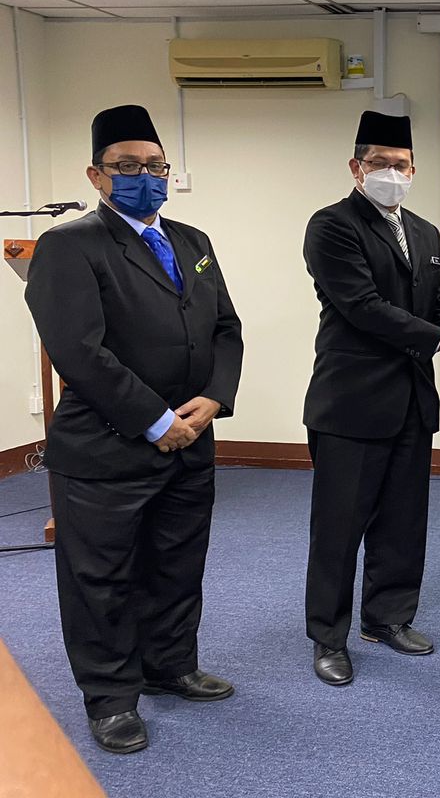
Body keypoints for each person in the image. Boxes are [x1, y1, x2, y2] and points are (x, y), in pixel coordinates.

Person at [24, 104, 243, 755]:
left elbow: (225, 328)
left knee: (177, 563)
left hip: (192, 438)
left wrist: (214, 398)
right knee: (103, 579)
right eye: (127, 166)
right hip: (108, 446)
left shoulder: (193, 241)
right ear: (96, 175)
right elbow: (78, 350)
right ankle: (112, 698)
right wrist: (154, 420)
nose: (144, 177)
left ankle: (169, 665)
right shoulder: (69, 245)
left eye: (155, 166)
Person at [302, 110, 440, 686]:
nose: (392, 172)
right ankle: (328, 637)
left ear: (414, 169)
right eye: (380, 163)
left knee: (403, 520)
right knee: (339, 528)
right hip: (351, 402)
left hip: (411, 400)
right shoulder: (331, 225)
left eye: (402, 164)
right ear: (356, 167)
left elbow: (437, 306)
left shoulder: (425, 232)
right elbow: (363, 308)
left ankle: (387, 617)